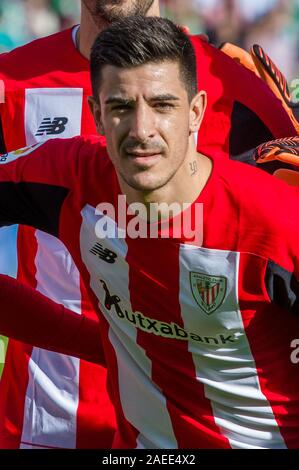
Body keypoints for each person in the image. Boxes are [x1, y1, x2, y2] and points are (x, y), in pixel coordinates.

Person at [0, 0, 297, 450]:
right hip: (47, 418)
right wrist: (98, 343)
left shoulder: (237, 90)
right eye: (120, 106)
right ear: (98, 113)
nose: (142, 128)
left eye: (163, 105)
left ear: (194, 110)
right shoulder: (23, 103)